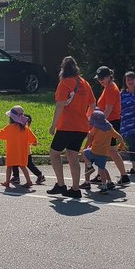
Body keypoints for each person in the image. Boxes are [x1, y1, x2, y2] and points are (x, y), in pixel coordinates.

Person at [46, 56, 96, 199]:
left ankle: (61, 184)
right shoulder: (85, 83)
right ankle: (75, 188)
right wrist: (86, 118)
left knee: (54, 153)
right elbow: (93, 105)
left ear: (63, 68)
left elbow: (60, 105)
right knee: (73, 156)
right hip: (81, 127)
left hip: (67, 126)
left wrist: (53, 125)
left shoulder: (64, 83)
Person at [94, 67, 130, 185]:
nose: (100, 81)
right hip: (110, 121)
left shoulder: (110, 88)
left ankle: (123, 176)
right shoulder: (108, 88)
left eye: (103, 78)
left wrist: (100, 122)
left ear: (109, 76)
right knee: (106, 150)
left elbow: (109, 109)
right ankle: (102, 175)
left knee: (110, 151)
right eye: (99, 79)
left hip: (110, 122)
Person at [0, 105, 39, 189]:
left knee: (9, 166)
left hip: (12, 150)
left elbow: (2, 134)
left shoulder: (10, 127)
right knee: (22, 166)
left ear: (11, 118)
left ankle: (7, 182)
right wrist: (34, 142)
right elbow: (33, 138)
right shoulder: (25, 128)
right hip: (22, 151)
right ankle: (29, 181)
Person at [82, 109, 122, 193]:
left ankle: (89, 169)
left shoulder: (96, 128)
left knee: (84, 153)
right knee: (102, 169)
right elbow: (118, 136)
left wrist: (86, 145)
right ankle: (105, 185)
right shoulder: (110, 128)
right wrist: (122, 144)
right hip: (104, 153)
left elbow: (90, 135)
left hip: (94, 151)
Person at [9, 111, 46, 186]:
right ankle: (16, 176)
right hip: (20, 150)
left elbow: (33, 139)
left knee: (28, 164)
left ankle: (39, 175)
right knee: (15, 162)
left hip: (25, 151)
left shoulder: (25, 129)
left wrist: (34, 142)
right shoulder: (21, 128)